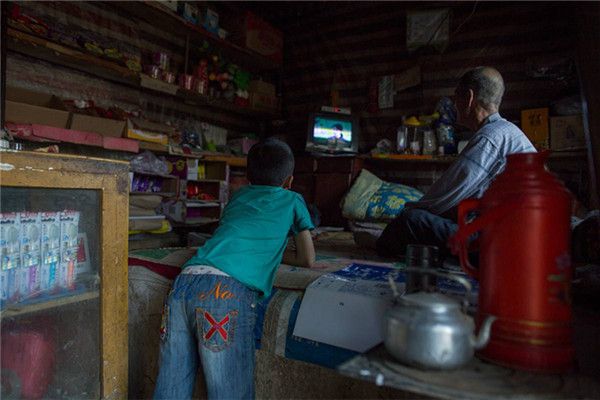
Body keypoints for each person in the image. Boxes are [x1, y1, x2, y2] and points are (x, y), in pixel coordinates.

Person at [153, 138, 316, 400]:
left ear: (249, 177)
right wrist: (275, 254)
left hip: (184, 283)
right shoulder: (293, 199)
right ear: (289, 181)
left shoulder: (238, 196)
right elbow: (308, 258)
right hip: (224, 294)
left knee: (171, 390)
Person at [375, 66, 536, 258]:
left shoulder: (491, 137)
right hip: (524, 235)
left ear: (468, 98)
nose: (454, 104)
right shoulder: (506, 131)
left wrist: (404, 218)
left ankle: (377, 245)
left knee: (410, 220)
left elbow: (443, 198)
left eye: (455, 97)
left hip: (511, 242)